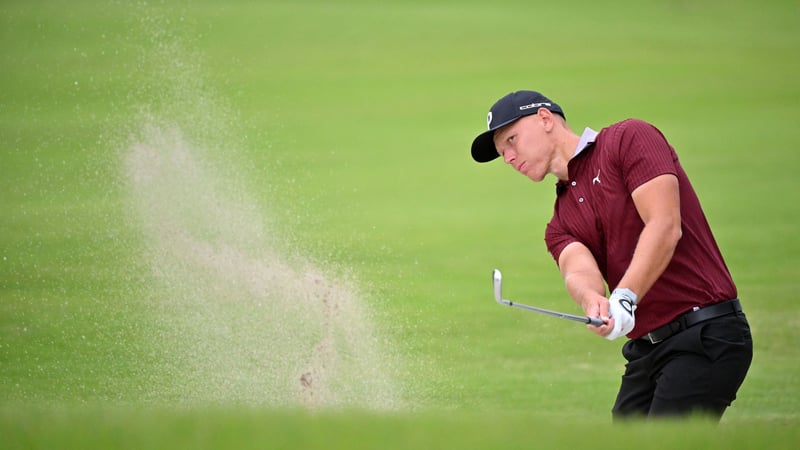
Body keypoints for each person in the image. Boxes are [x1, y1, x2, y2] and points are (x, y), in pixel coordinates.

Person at [470, 90, 753, 420]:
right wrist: (593, 301)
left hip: (705, 332)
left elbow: (665, 224)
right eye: (502, 151)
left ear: (545, 119)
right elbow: (578, 270)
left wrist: (625, 297)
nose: (508, 157)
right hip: (648, 350)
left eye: (512, 140)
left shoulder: (628, 139)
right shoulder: (559, 224)